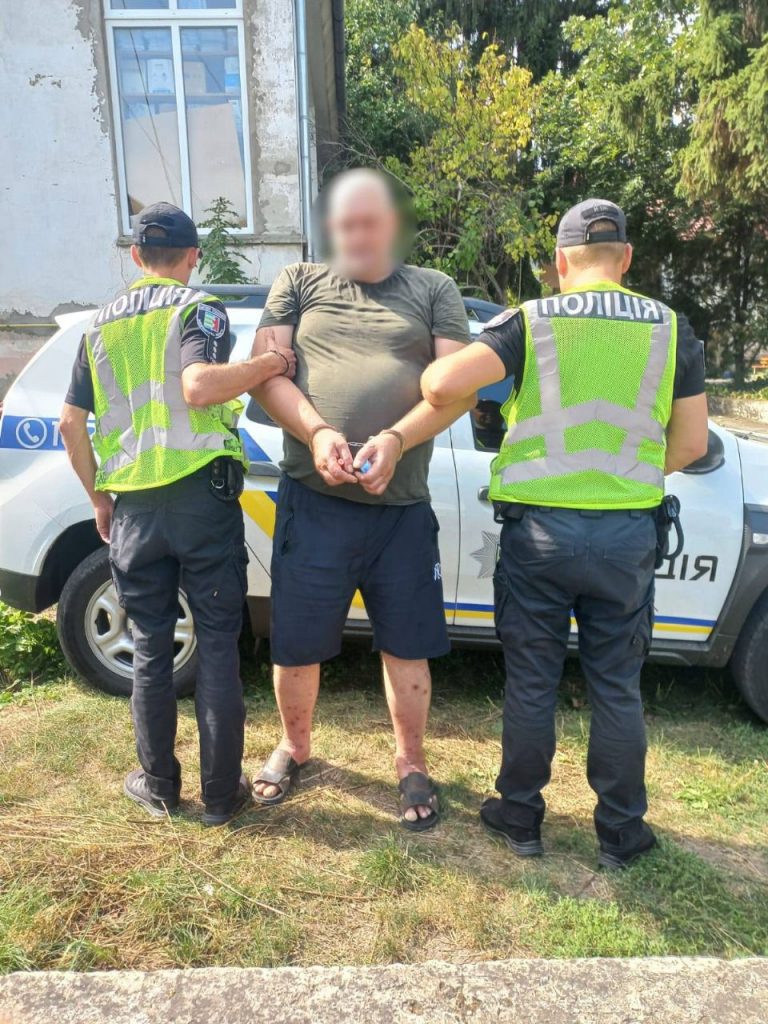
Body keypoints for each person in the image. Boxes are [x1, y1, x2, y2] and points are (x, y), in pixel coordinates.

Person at [421, 199, 708, 867]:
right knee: (616, 684)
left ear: (559, 262)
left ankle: (520, 816)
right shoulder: (670, 328)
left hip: (539, 536)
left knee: (531, 681)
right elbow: (692, 444)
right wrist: (622, 476)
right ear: (626, 258)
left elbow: (439, 385)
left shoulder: (532, 320)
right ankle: (621, 834)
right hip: (627, 537)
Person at [249, 169, 474, 829]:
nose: (356, 236)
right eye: (345, 225)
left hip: (400, 508)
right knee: (295, 643)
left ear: (394, 225)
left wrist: (397, 439)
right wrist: (318, 432)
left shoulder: (434, 288)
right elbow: (266, 376)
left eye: (369, 223)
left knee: (407, 643)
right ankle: (294, 746)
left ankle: (411, 761)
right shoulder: (298, 282)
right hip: (312, 500)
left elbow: (458, 389)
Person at [59, 202, 296, 825]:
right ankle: (220, 797)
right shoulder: (198, 308)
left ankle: (160, 785)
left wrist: (99, 499)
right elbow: (199, 386)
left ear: (137, 256)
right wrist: (270, 365)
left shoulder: (97, 328)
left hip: (134, 508)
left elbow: (69, 424)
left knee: (150, 647)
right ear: (193, 256)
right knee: (216, 644)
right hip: (199, 499)